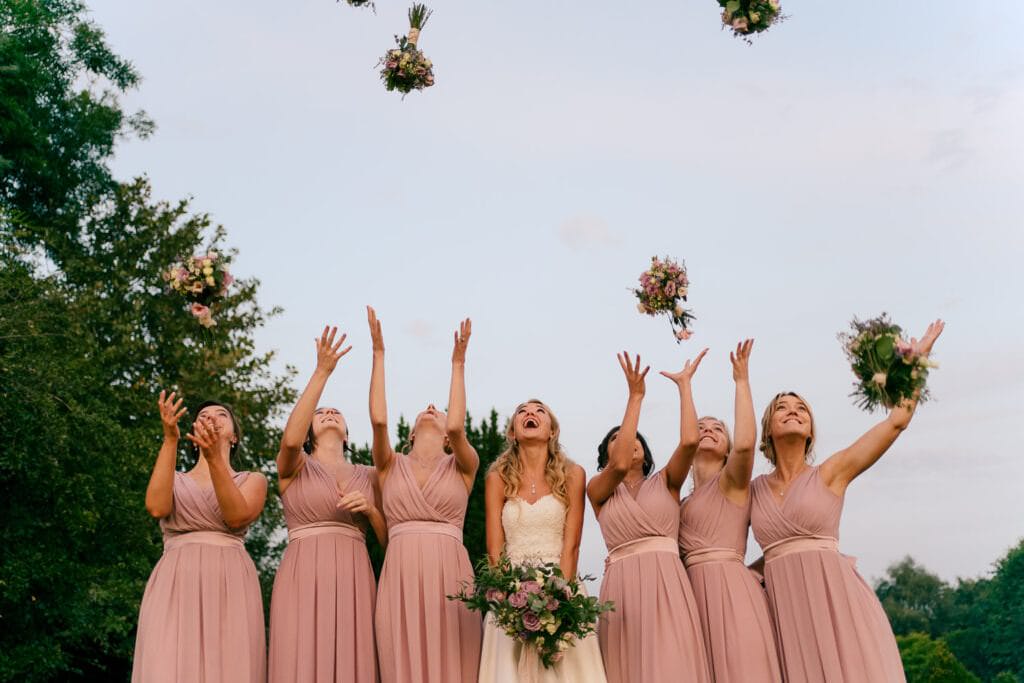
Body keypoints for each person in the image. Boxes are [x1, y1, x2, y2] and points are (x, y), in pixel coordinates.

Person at [750, 320, 944, 682]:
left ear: (809, 432)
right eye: (782, 408)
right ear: (767, 430)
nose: (793, 410)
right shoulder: (753, 489)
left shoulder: (832, 471)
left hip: (835, 601)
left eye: (801, 408)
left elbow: (897, 422)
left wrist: (916, 365)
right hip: (785, 609)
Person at [368, 307, 482, 682]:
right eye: (423, 411)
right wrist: (379, 354)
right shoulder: (389, 464)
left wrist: (459, 363)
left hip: (449, 569)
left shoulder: (463, 466)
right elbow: (380, 420)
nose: (431, 409)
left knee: (453, 660)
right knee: (402, 660)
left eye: (438, 409)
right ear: (412, 433)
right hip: (400, 571)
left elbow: (457, 425)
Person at [269, 326, 386, 683]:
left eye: (336, 412)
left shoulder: (371, 475)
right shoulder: (294, 467)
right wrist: (322, 371)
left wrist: (370, 511)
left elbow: (387, 539)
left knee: (354, 658)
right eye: (321, 413)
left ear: (348, 434)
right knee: (300, 657)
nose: (330, 412)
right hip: (303, 572)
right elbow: (289, 441)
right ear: (309, 430)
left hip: (353, 573)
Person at [588, 351, 711, 683]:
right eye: (617, 439)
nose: (630, 442)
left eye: (635, 439)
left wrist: (685, 386)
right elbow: (617, 466)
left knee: (674, 664)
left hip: (667, 581)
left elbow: (689, 441)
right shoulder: (599, 490)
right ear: (605, 455)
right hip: (622, 588)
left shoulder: (667, 482)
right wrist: (636, 398)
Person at [133, 394, 267, 683]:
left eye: (221, 415)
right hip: (175, 581)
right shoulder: (176, 479)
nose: (212, 418)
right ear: (193, 436)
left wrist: (214, 460)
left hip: (230, 582)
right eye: (204, 415)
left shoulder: (253, 480)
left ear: (234, 437)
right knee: (165, 667)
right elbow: (157, 507)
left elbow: (235, 517)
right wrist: (170, 439)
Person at [478, 399, 606, 682]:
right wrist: (508, 601)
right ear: (512, 432)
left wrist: (560, 601)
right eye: (522, 412)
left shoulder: (574, 475)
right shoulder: (497, 478)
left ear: (552, 431)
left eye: (539, 411)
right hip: (510, 589)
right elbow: (494, 547)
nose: (530, 414)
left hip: (561, 583)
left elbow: (572, 545)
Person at [678, 340, 781, 681]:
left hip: (731, 591)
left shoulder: (733, 484)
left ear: (726, 450)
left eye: (717, 429)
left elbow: (748, 443)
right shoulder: (677, 503)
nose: (708, 431)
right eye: (702, 427)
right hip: (689, 597)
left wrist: (741, 381)